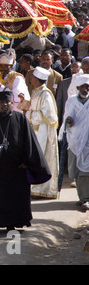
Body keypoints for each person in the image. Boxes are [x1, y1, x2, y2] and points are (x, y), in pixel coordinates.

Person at [0, 91, 51, 236]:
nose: (5, 105)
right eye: (2, 102)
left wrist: (27, 162)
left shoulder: (20, 119)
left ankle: (12, 225)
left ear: (11, 104)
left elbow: (30, 142)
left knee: (14, 197)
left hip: (15, 167)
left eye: (7, 103)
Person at [26, 67, 59, 199]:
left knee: (42, 158)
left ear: (37, 79)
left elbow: (50, 116)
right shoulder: (36, 92)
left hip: (43, 132)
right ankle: (35, 187)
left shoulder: (46, 94)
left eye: (33, 77)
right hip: (35, 131)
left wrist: (29, 113)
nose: (31, 79)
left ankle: (44, 189)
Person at [62, 74, 89, 211]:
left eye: (88, 87)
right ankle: (82, 196)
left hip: (88, 140)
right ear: (78, 87)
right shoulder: (72, 101)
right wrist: (69, 120)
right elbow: (68, 116)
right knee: (77, 170)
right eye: (83, 87)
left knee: (86, 170)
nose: (85, 89)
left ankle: (86, 198)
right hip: (75, 139)